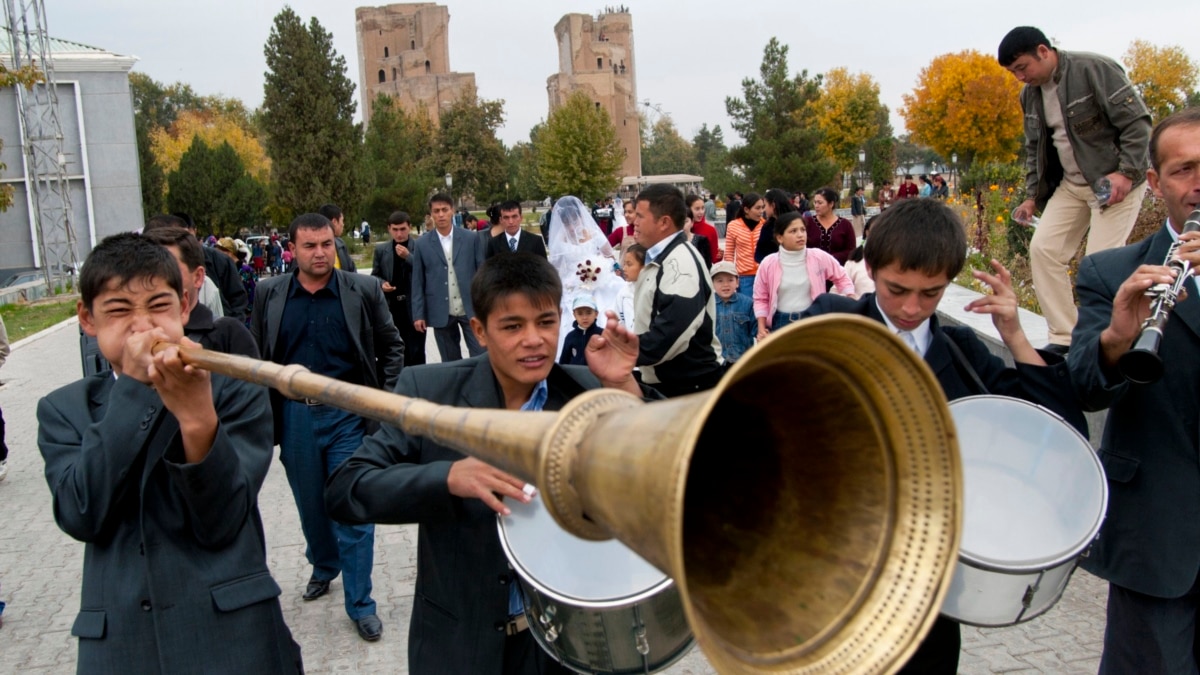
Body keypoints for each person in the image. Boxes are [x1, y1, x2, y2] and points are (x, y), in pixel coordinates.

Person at [325, 253, 648, 675]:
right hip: (460, 646)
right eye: (513, 326)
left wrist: (624, 387)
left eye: (546, 322)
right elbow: (347, 488)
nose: (533, 339)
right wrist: (447, 478)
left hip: (571, 649)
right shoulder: (429, 392)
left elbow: (656, 481)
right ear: (479, 331)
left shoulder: (590, 390)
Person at [802, 197, 1086, 673]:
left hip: (926, 584)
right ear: (869, 268)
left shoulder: (962, 352)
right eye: (897, 289)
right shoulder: (832, 321)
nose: (912, 307)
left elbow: (1057, 428)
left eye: (931, 294)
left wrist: (1015, 334)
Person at [38, 233, 303, 672]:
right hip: (122, 646)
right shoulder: (65, 410)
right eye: (119, 310)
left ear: (184, 307)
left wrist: (199, 420)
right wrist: (140, 388)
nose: (143, 327)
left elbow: (222, 521)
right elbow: (80, 511)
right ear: (87, 319)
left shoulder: (233, 389)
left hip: (234, 637)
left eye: (158, 306)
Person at [1067, 107, 1200, 674]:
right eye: (1184, 170)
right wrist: (1121, 335)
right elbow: (1086, 389)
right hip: (1159, 539)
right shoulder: (1110, 271)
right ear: (1154, 183)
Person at [249, 213, 404, 642]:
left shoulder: (363, 291)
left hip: (348, 415)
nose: (320, 253)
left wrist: (383, 403)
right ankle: (323, 564)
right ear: (292, 249)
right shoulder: (269, 294)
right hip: (295, 416)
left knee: (354, 508)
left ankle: (361, 604)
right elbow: (259, 356)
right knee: (312, 508)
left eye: (326, 245)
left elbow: (393, 347)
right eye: (310, 246)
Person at [1000, 26, 1152, 355]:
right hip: (1072, 187)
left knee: (1099, 266)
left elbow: (1138, 124)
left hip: (1114, 185)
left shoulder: (1094, 70)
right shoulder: (1030, 96)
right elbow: (1035, 148)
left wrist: (1126, 173)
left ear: (1043, 50)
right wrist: (1031, 196)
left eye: (1022, 68)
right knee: (1043, 251)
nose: (1019, 78)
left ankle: (1102, 341)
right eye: (1013, 73)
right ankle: (1066, 339)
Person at [632, 184, 725, 397]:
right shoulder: (663, 257)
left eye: (640, 216)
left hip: (689, 388)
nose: (633, 222)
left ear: (664, 222)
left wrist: (623, 351)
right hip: (674, 384)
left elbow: (671, 334)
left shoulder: (680, 263)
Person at [140, 225, 258, 357]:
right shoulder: (130, 334)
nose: (154, 280)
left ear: (198, 277)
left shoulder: (228, 336)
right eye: (145, 270)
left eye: (168, 270)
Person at [412, 193, 487, 362]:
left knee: (481, 356)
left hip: (470, 308)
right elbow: (418, 281)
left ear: (452, 211)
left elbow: (482, 273)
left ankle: (479, 387)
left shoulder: (471, 238)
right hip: (440, 310)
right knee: (450, 362)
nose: (440, 215)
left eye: (444, 210)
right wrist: (418, 314)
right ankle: (457, 388)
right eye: (436, 211)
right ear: (431, 214)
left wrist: (485, 306)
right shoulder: (422, 244)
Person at [754, 212, 855, 338]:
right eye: (793, 231)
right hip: (781, 323)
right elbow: (760, 298)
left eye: (803, 230)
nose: (800, 235)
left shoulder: (819, 257)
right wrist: (761, 328)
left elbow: (841, 277)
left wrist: (850, 297)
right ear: (780, 238)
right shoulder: (768, 263)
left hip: (813, 320)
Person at [545, 196, 624, 348]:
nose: (572, 227)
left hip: (596, 279)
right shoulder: (560, 241)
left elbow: (609, 255)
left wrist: (601, 268)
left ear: (581, 217)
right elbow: (555, 267)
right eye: (568, 224)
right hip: (572, 282)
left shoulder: (594, 234)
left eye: (575, 221)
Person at [372, 211, 426, 367]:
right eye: (395, 229)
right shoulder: (382, 250)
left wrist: (408, 257)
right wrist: (381, 284)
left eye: (402, 229)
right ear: (389, 229)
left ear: (409, 227)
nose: (399, 234)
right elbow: (374, 275)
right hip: (391, 307)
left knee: (416, 352)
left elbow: (426, 272)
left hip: (413, 308)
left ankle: (416, 387)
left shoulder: (419, 246)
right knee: (393, 351)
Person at [175, 213, 247, 319]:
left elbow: (238, 300)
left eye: (186, 235)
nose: (183, 241)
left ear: (194, 231)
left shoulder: (220, 261)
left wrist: (232, 328)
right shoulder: (165, 265)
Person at [722, 192, 766, 297]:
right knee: (748, 308)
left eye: (762, 207)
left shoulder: (765, 225)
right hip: (744, 277)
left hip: (764, 274)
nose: (761, 211)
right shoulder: (733, 226)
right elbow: (729, 253)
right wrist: (730, 276)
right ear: (746, 210)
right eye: (757, 208)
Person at [711, 261, 755, 364]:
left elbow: (757, 330)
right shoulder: (707, 305)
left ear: (737, 282)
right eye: (720, 281)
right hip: (716, 361)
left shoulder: (748, 303)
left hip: (742, 361)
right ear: (712, 283)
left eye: (730, 280)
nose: (725, 285)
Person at [804, 187, 857, 266]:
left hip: (837, 270)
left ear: (831, 204)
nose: (816, 206)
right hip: (811, 270)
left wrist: (829, 259)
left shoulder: (845, 225)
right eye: (815, 202)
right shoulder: (807, 222)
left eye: (820, 203)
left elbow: (851, 250)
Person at [754, 188, 798, 262]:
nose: (763, 210)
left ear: (773, 205)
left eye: (765, 206)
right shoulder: (767, 226)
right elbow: (759, 253)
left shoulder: (795, 223)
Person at [559, 294, 603, 365]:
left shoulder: (602, 334)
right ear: (574, 315)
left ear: (596, 314)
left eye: (588, 313)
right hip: (574, 375)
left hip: (596, 375)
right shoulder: (570, 337)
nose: (584, 317)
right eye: (580, 313)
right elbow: (563, 362)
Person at [318, 204, 358, 272]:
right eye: (342, 220)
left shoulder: (341, 245)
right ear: (334, 222)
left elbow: (352, 272)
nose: (343, 224)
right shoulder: (313, 248)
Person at [616, 244, 645, 330]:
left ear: (644, 267)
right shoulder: (623, 293)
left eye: (629, 264)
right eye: (624, 264)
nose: (624, 268)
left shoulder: (653, 291)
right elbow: (619, 321)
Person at [687, 193, 722, 263]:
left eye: (703, 208)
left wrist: (719, 256)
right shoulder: (679, 229)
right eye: (697, 209)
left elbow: (714, 259)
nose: (701, 212)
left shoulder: (710, 230)